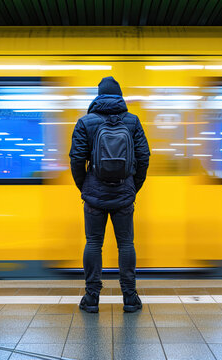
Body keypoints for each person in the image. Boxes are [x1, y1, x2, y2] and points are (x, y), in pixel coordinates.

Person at [69, 76, 150, 313]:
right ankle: (130, 297)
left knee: (94, 243)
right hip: (124, 193)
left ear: (98, 96)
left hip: (94, 194)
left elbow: (76, 159)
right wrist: (133, 186)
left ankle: (92, 298)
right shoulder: (132, 122)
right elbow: (144, 157)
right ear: (120, 96)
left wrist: (85, 186)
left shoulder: (85, 122)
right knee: (126, 244)